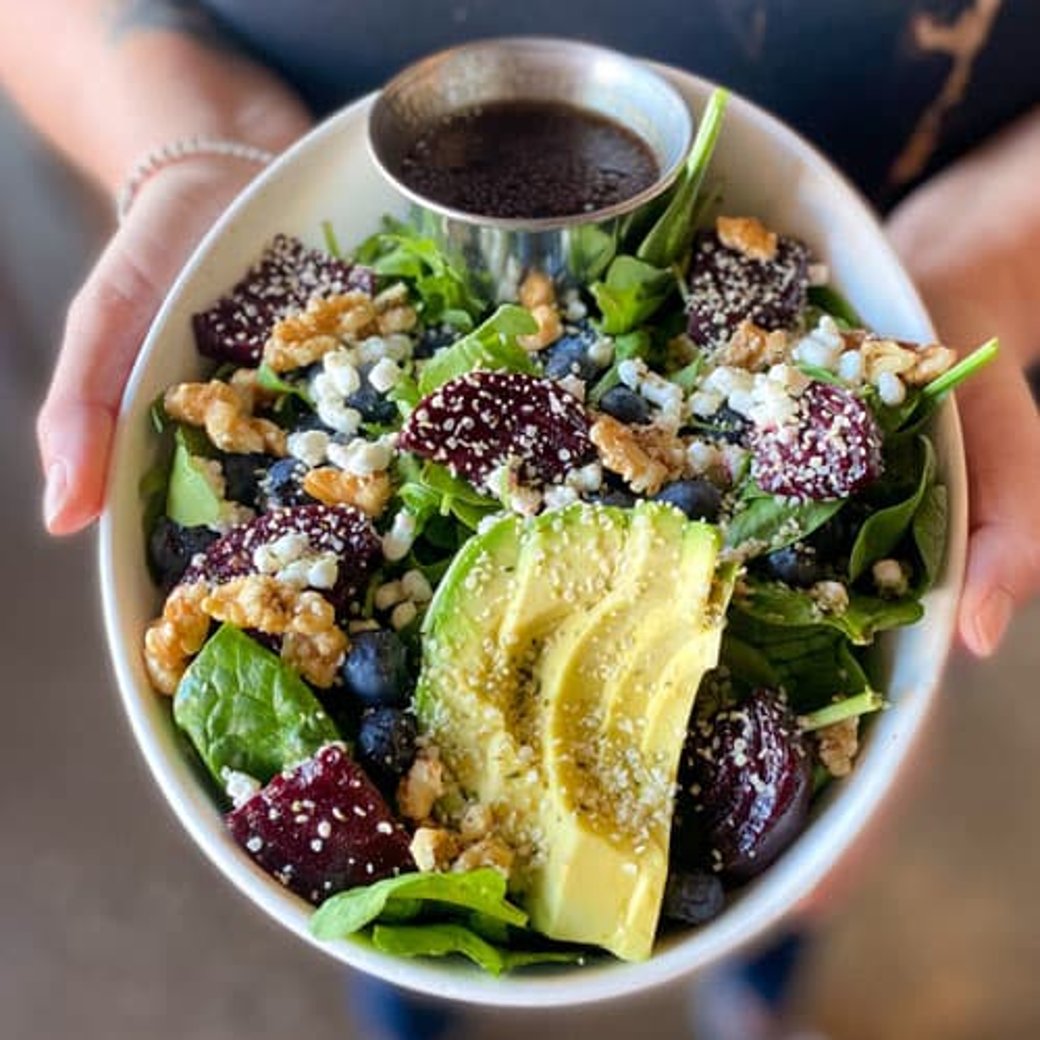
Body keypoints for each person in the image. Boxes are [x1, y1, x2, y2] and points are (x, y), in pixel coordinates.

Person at [1, 2, 1036, 1036]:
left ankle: (756, 989)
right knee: (396, 904)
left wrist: (980, 261)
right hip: (310, 164)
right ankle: (415, 1003)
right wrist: (185, 135)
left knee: (779, 866)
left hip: (880, 227)